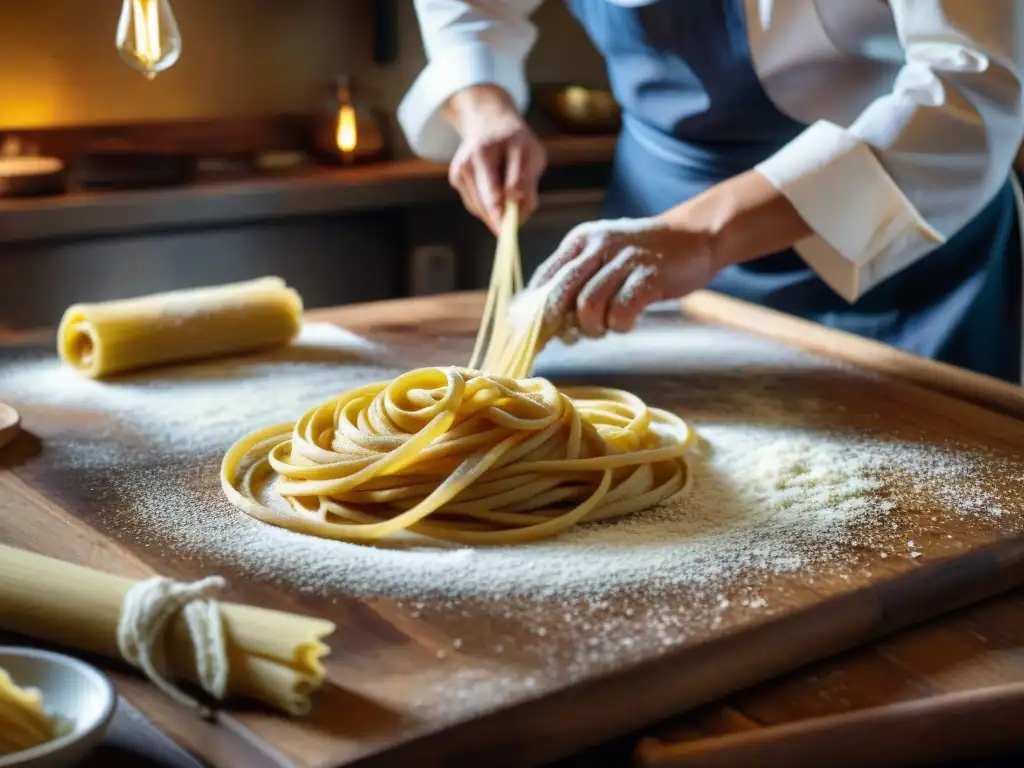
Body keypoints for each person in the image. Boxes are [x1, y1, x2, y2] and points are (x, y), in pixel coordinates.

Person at [398, 0, 1024, 384]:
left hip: (904, 237)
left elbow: (973, 90)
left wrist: (700, 234)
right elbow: (471, 7)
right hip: (655, 228)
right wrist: (483, 106)